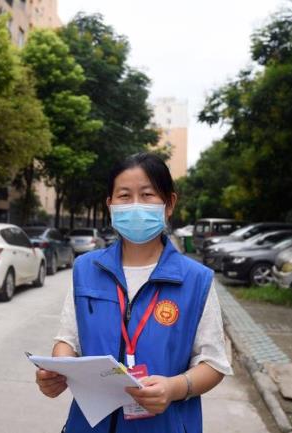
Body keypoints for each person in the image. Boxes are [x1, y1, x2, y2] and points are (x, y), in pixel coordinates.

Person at [35, 152, 233, 433]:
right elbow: (68, 339)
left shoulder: (196, 280)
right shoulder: (86, 269)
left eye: (148, 194)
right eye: (124, 196)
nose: (135, 205)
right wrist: (58, 370)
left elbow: (213, 363)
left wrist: (174, 387)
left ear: (169, 204)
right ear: (110, 205)